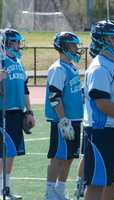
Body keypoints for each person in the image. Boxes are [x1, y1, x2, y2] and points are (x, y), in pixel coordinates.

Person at [83, 20, 114, 200]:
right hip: (101, 132)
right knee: (97, 183)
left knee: (112, 182)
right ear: (101, 40)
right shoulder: (100, 67)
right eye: (113, 38)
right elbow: (102, 103)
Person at [44, 32, 84, 200]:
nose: (77, 49)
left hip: (74, 119)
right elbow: (54, 97)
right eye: (74, 46)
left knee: (69, 158)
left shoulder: (71, 67)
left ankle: (60, 189)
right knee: (58, 157)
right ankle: (50, 191)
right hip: (64, 120)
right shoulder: (58, 68)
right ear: (65, 47)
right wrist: (63, 120)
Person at [0, 28, 35, 199]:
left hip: (16, 113)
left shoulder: (19, 63)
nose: (19, 46)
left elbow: (25, 89)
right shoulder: (1, 61)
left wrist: (29, 111)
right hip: (2, 113)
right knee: (2, 152)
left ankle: (6, 188)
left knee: (11, 152)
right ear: (6, 43)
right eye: (16, 42)